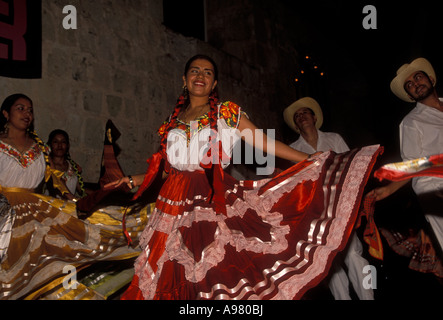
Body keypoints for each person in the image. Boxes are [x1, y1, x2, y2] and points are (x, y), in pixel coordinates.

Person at [105, 54, 382, 300]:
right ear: (184, 79)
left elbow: (263, 142)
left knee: (216, 271)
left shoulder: (226, 112)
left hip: (211, 197)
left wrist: (307, 158)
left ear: (214, 84)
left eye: (208, 72)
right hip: (171, 205)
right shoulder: (171, 122)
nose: (200, 75)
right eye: (195, 71)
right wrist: (134, 179)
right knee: (171, 274)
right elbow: (166, 169)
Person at [0, 93, 144, 300]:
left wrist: (75, 200)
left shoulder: (40, 148)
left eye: (30, 110)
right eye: (20, 108)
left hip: (33, 210)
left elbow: (54, 179)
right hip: (4, 212)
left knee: (41, 263)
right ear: (6, 113)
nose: (27, 114)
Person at [283, 97, 373, 300]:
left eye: (305, 112)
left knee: (355, 255)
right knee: (328, 262)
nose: (301, 116)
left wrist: (356, 199)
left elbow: (351, 166)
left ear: (314, 117)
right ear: (296, 125)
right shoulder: (292, 149)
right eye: (297, 116)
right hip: (315, 211)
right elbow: (294, 185)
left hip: (341, 204)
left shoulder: (334, 138)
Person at [368, 57, 443, 253]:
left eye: (418, 77)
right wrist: (389, 189)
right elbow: (413, 164)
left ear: (432, 80)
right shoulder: (411, 122)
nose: (415, 84)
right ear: (410, 96)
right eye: (410, 85)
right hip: (434, 187)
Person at [45, 129, 87, 201]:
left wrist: (99, 194)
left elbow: (81, 190)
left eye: (63, 142)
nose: (59, 145)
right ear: (50, 145)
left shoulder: (73, 166)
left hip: (69, 208)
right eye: (55, 142)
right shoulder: (46, 165)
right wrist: (75, 200)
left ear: (68, 146)